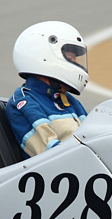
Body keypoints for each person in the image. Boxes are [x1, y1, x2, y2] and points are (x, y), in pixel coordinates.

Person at [5, 21, 90, 157]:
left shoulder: (68, 100)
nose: (76, 64)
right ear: (44, 57)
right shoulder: (24, 102)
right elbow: (51, 155)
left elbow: (93, 137)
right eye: (70, 58)